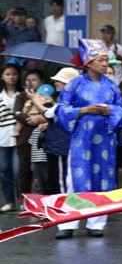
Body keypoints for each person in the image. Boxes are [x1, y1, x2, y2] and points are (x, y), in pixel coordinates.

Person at [53, 41, 122, 238]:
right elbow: (60, 110)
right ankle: (67, 223)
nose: (105, 64)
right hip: (81, 141)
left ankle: (96, 223)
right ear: (88, 63)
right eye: (101, 60)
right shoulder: (74, 85)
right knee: (74, 181)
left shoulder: (112, 86)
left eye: (106, 61)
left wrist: (110, 111)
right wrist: (83, 110)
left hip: (105, 142)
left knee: (102, 180)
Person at [41, 67, 77, 196]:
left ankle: (64, 205)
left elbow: (48, 113)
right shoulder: (62, 98)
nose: (56, 83)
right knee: (53, 179)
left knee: (61, 181)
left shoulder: (70, 100)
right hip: (55, 145)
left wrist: (33, 99)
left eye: (60, 81)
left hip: (61, 145)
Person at [16, 69, 46, 195]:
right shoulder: (21, 96)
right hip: (26, 135)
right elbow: (17, 113)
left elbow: (49, 111)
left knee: (41, 170)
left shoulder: (47, 95)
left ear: (41, 82)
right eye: (28, 80)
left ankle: (43, 198)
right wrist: (30, 119)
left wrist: (40, 119)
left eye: (34, 80)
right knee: (24, 169)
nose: (30, 83)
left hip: (42, 135)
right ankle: (24, 198)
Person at [0, 64, 20, 212]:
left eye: (14, 74)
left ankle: (22, 200)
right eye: (8, 74)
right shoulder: (0, 95)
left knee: (18, 170)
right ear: (2, 76)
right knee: (4, 170)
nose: (11, 77)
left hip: (20, 136)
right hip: (2, 137)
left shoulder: (23, 93)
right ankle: (10, 201)